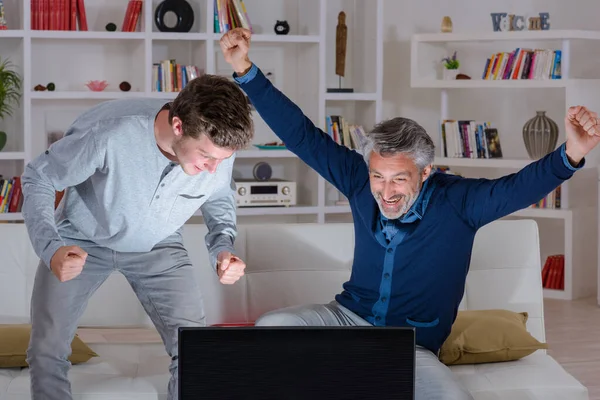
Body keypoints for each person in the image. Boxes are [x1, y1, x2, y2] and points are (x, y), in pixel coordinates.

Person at [219, 28, 600, 400]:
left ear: (425, 171)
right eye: (378, 177)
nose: (385, 192)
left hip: (410, 346)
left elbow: (518, 188)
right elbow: (302, 135)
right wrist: (245, 71)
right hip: (345, 320)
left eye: (399, 180)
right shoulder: (356, 179)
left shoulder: (458, 202)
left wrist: (571, 154)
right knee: (273, 327)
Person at [21, 74, 254, 400]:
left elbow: (218, 197)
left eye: (222, 159)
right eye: (206, 156)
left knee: (197, 350)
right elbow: (39, 177)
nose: (214, 168)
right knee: (46, 348)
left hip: (161, 244)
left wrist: (223, 248)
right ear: (177, 127)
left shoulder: (217, 149)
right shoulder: (109, 133)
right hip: (81, 239)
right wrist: (52, 248)